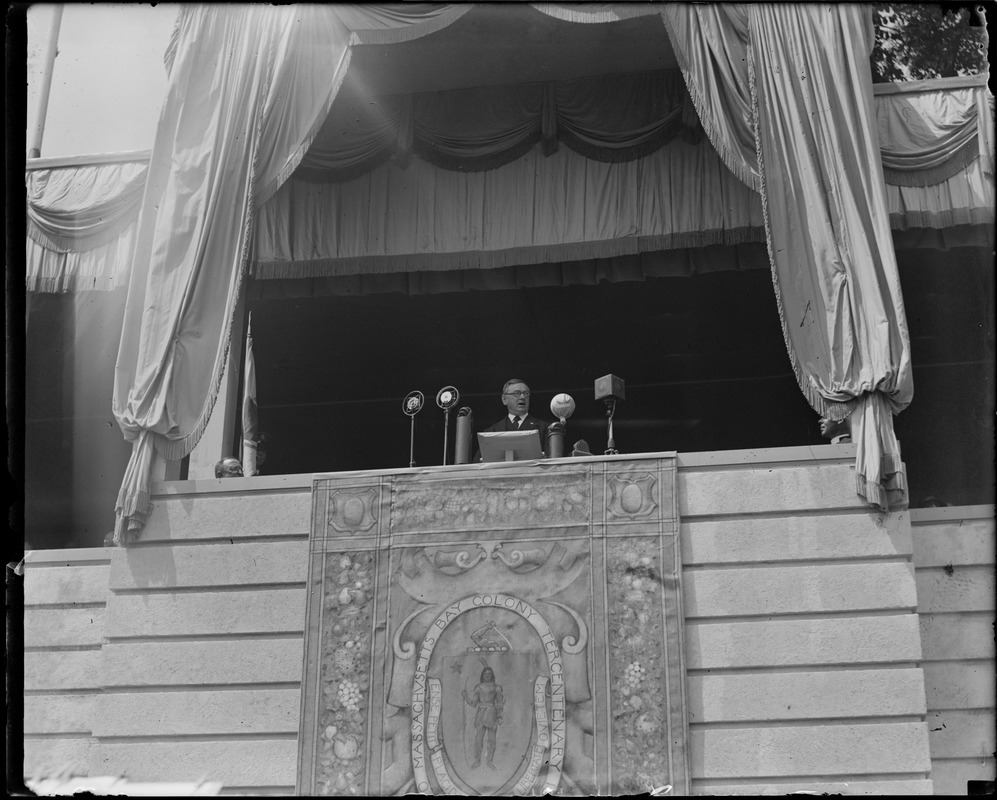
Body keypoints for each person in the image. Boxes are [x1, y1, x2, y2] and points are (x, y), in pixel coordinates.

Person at [463, 666, 504, 770]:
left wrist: (499, 716)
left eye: (489, 673)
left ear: (492, 675)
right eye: (485, 673)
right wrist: (466, 696)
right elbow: (473, 703)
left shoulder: (497, 688)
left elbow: (499, 703)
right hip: (481, 715)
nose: (487, 675)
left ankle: (489, 761)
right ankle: (477, 760)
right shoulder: (478, 687)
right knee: (478, 739)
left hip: (492, 714)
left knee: (492, 740)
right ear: (482, 675)